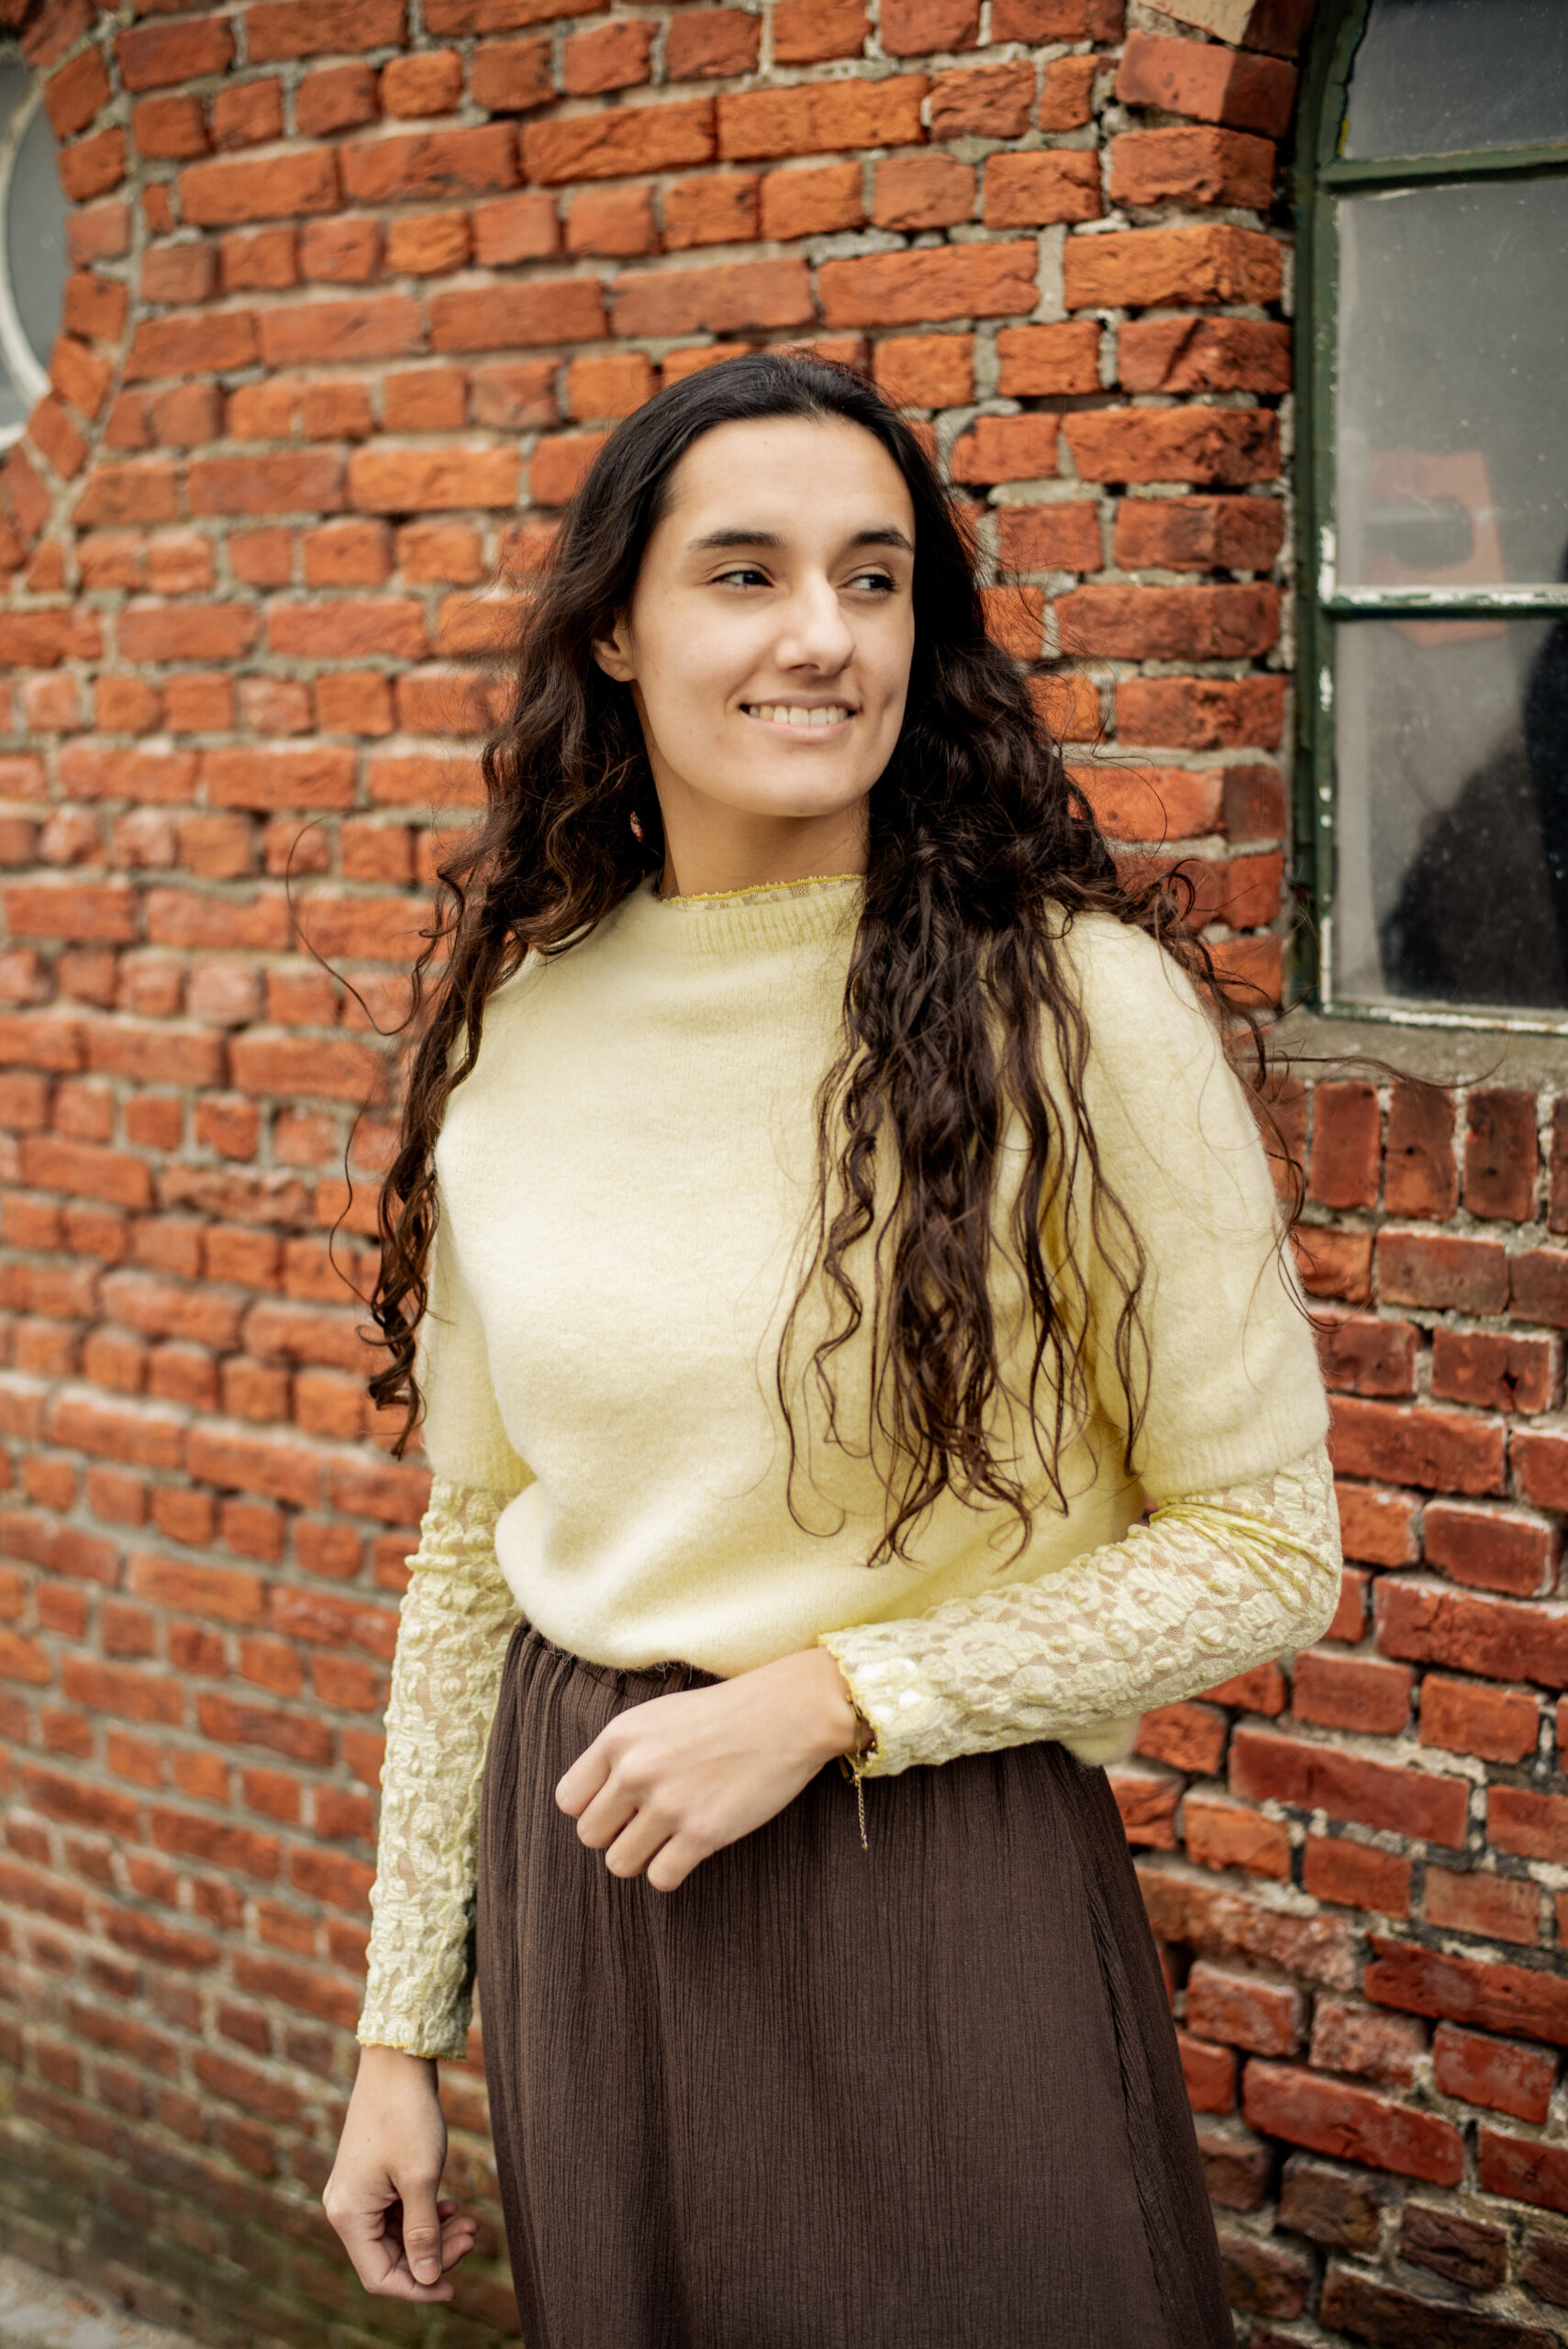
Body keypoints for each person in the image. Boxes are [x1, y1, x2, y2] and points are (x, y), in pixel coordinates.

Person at [322, 351, 1340, 2349]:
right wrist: (397, 2036)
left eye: (874, 579)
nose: (823, 635)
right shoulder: (524, 1020)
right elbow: (474, 1547)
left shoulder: (1074, 1007)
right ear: (614, 631)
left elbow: (1264, 1541)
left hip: (928, 1866)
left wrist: (834, 1696)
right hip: (589, 1879)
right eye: (746, 574)